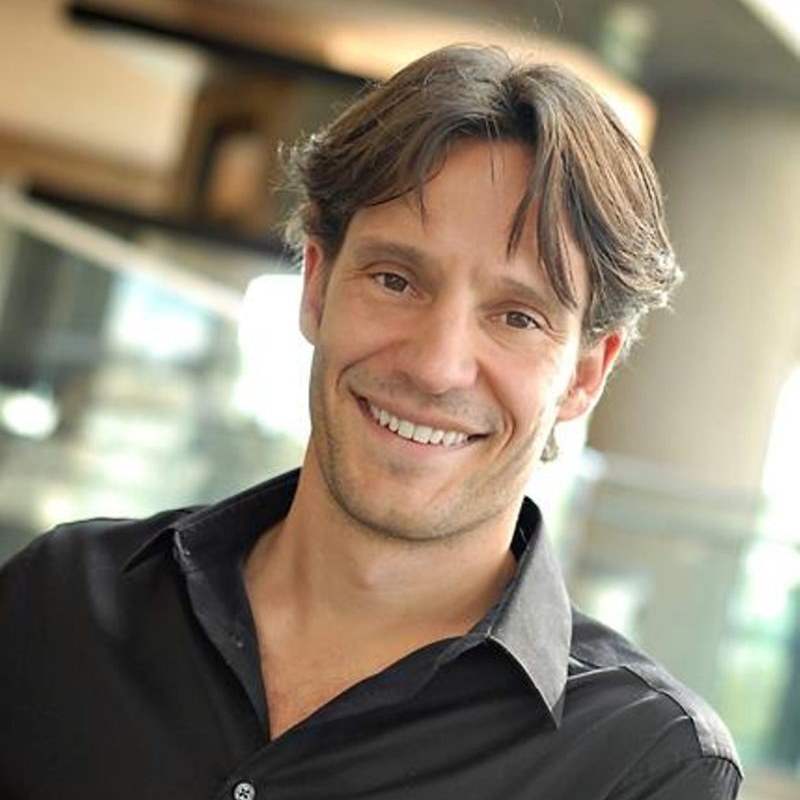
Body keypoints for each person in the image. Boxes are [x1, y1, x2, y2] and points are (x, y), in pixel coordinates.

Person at [0, 44, 741, 799]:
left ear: (586, 373)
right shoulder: (55, 604)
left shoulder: (644, 766)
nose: (436, 365)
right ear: (316, 286)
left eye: (517, 316)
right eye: (395, 280)